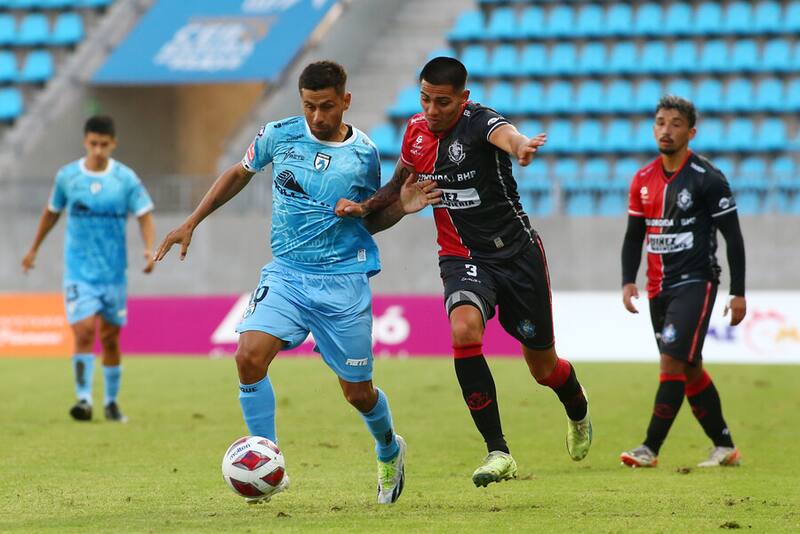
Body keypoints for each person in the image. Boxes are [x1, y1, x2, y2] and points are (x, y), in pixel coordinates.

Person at [155, 61, 437, 504]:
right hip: (287, 273)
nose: (318, 117)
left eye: (327, 106)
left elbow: (372, 218)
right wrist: (192, 220)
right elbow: (238, 174)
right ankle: (267, 459)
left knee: (358, 393)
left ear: (346, 101)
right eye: (309, 106)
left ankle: (388, 449)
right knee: (248, 357)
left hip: (343, 280)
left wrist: (398, 207)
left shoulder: (363, 155)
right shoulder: (278, 134)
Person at [335, 57, 592, 488]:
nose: (432, 110)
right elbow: (398, 185)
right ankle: (498, 450)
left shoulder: (479, 123)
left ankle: (578, 410)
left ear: (463, 99)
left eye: (442, 102)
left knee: (544, 368)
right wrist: (364, 208)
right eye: (425, 99)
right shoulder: (415, 132)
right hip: (461, 255)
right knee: (464, 331)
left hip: (517, 256)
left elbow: (505, 135)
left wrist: (521, 145)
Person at [619, 96, 746, 468]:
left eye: (675, 124)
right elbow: (633, 235)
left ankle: (649, 448)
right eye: (660, 122)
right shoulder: (642, 179)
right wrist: (628, 280)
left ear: (690, 132)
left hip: (697, 281)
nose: (666, 130)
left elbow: (733, 238)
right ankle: (725, 446)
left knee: (672, 362)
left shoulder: (708, 179)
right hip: (658, 287)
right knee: (689, 368)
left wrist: (738, 291)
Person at [22, 115, 156, 423]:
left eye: (103, 144)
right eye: (93, 144)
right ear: (85, 142)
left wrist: (149, 248)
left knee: (110, 337)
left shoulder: (125, 179)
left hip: (113, 273)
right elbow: (51, 213)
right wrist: (33, 249)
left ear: (113, 144)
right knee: (83, 331)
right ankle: (83, 398)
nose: (98, 150)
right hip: (79, 272)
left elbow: (144, 215)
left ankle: (111, 402)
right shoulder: (68, 177)